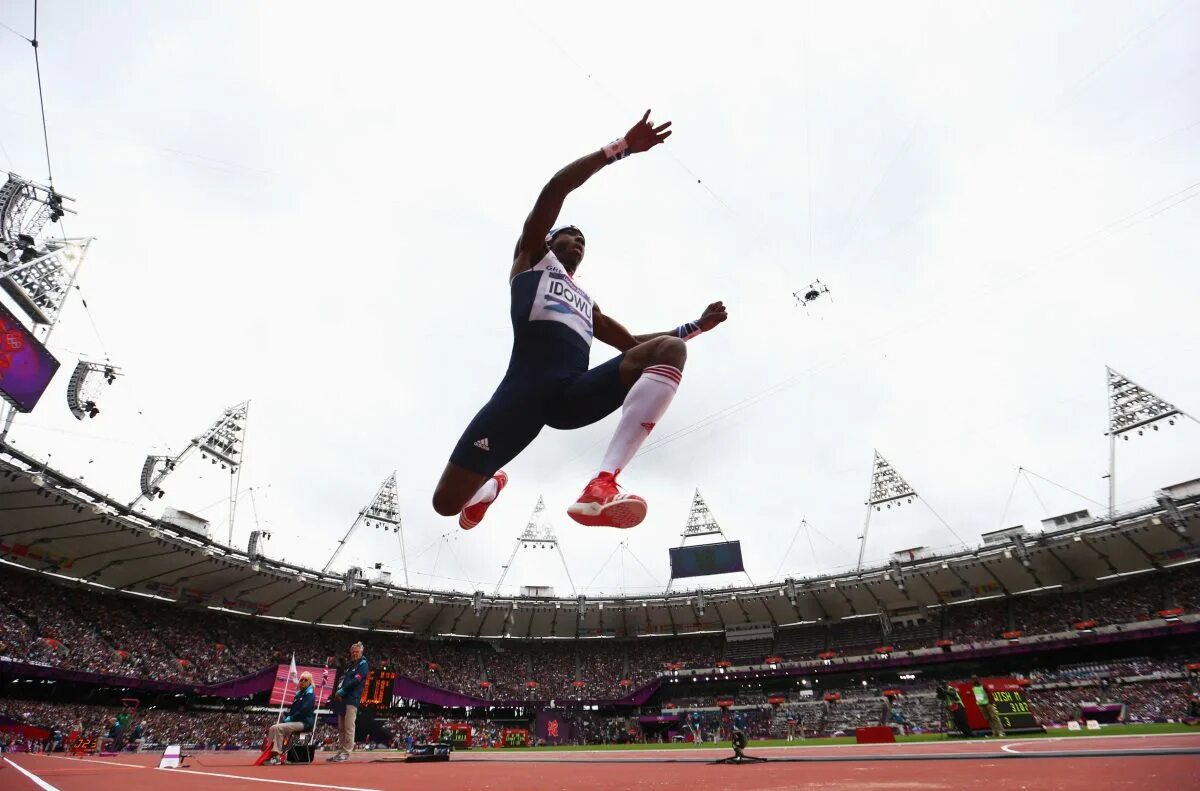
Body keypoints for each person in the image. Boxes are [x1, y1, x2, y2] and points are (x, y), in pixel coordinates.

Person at [432, 110, 728, 530]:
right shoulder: (532, 259)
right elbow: (557, 187)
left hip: (574, 396)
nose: (579, 243)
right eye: (571, 235)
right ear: (550, 239)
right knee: (445, 505)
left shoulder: (587, 304)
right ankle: (491, 483)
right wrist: (619, 149)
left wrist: (695, 326)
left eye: (584, 241)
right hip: (521, 397)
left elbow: (630, 343)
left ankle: (602, 484)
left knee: (670, 349)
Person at [329, 642, 368, 763]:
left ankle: (346, 753)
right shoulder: (351, 665)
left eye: (357, 652)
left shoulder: (363, 664)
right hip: (342, 699)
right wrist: (338, 693)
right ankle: (340, 751)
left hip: (352, 699)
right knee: (341, 728)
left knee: (349, 727)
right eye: (353, 652)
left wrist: (343, 690)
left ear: (361, 652)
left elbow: (356, 681)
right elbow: (343, 680)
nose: (354, 654)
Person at [265, 671, 316, 766]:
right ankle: (270, 753)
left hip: (304, 723)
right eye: (301, 680)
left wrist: (290, 718)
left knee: (279, 728)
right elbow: (294, 711)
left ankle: (277, 756)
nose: (303, 682)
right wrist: (286, 714)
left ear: (310, 682)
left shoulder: (310, 695)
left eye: (306, 680)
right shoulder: (299, 694)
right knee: (273, 727)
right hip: (296, 721)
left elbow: (303, 710)